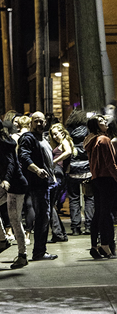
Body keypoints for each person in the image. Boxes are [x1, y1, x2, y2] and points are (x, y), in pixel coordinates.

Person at [0, 117, 29, 269]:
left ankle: (22, 255)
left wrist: (7, 179)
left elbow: (11, 163)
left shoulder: (1, 142)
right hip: (7, 184)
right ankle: (3, 240)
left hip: (15, 185)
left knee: (15, 220)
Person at [18, 111, 58, 261]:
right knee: (42, 216)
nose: (39, 124)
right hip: (37, 184)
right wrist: (37, 170)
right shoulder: (28, 138)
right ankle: (39, 252)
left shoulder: (44, 138)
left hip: (47, 182)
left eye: (41, 121)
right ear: (31, 123)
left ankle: (40, 250)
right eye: (36, 121)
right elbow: (23, 156)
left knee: (44, 216)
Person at [83, 114, 117, 259]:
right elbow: (110, 163)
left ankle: (94, 246)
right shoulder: (104, 140)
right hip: (107, 179)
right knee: (106, 213)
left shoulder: (90, 140)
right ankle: (105, 245)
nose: (105, 123)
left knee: (99, 213)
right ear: (96, 126)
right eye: (101, 122)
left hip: (96, 178)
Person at [65, 110, 94, 235]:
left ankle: (75, 227)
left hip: (72, 168)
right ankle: (89, 225)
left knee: (74, 198)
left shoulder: (69, 131)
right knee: (89, 197)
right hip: (87, 168)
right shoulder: (88, 131)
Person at [48, 123, 73, 243]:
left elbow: (68, 152)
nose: (55, 137)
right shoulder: (60, 143)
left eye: (56, 134)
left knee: (49, 204)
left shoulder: (65, 142)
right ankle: (60, 233)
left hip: (57, 173)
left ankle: (58, 233)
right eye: (53, 135)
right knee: (50, 204)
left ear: (62, 132)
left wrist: (55, 161)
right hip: (58, 173)